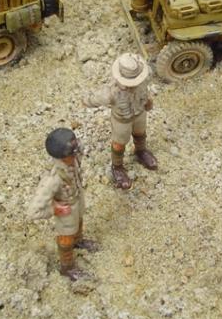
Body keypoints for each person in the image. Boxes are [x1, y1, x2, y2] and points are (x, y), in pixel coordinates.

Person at [27, 128, 98, 281]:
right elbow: (33, 212)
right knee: (66, 238)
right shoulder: (53, 179)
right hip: (66, 210)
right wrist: (54, 209)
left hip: (77, 200)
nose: (76, 154)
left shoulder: (74, 159)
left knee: (79, 222)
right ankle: (67, 267)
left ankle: (78, 241)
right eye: (72, 153)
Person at [84, 53, 157, 190]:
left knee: (140, 133)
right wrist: (86, 101)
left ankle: (141, 151)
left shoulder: (144, 79)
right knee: (119, 144)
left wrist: (148, 102)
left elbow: (146, 93)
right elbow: (94, 100)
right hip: (122, 120)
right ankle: (117, 166)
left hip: (140, 113)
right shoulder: (111, 92)